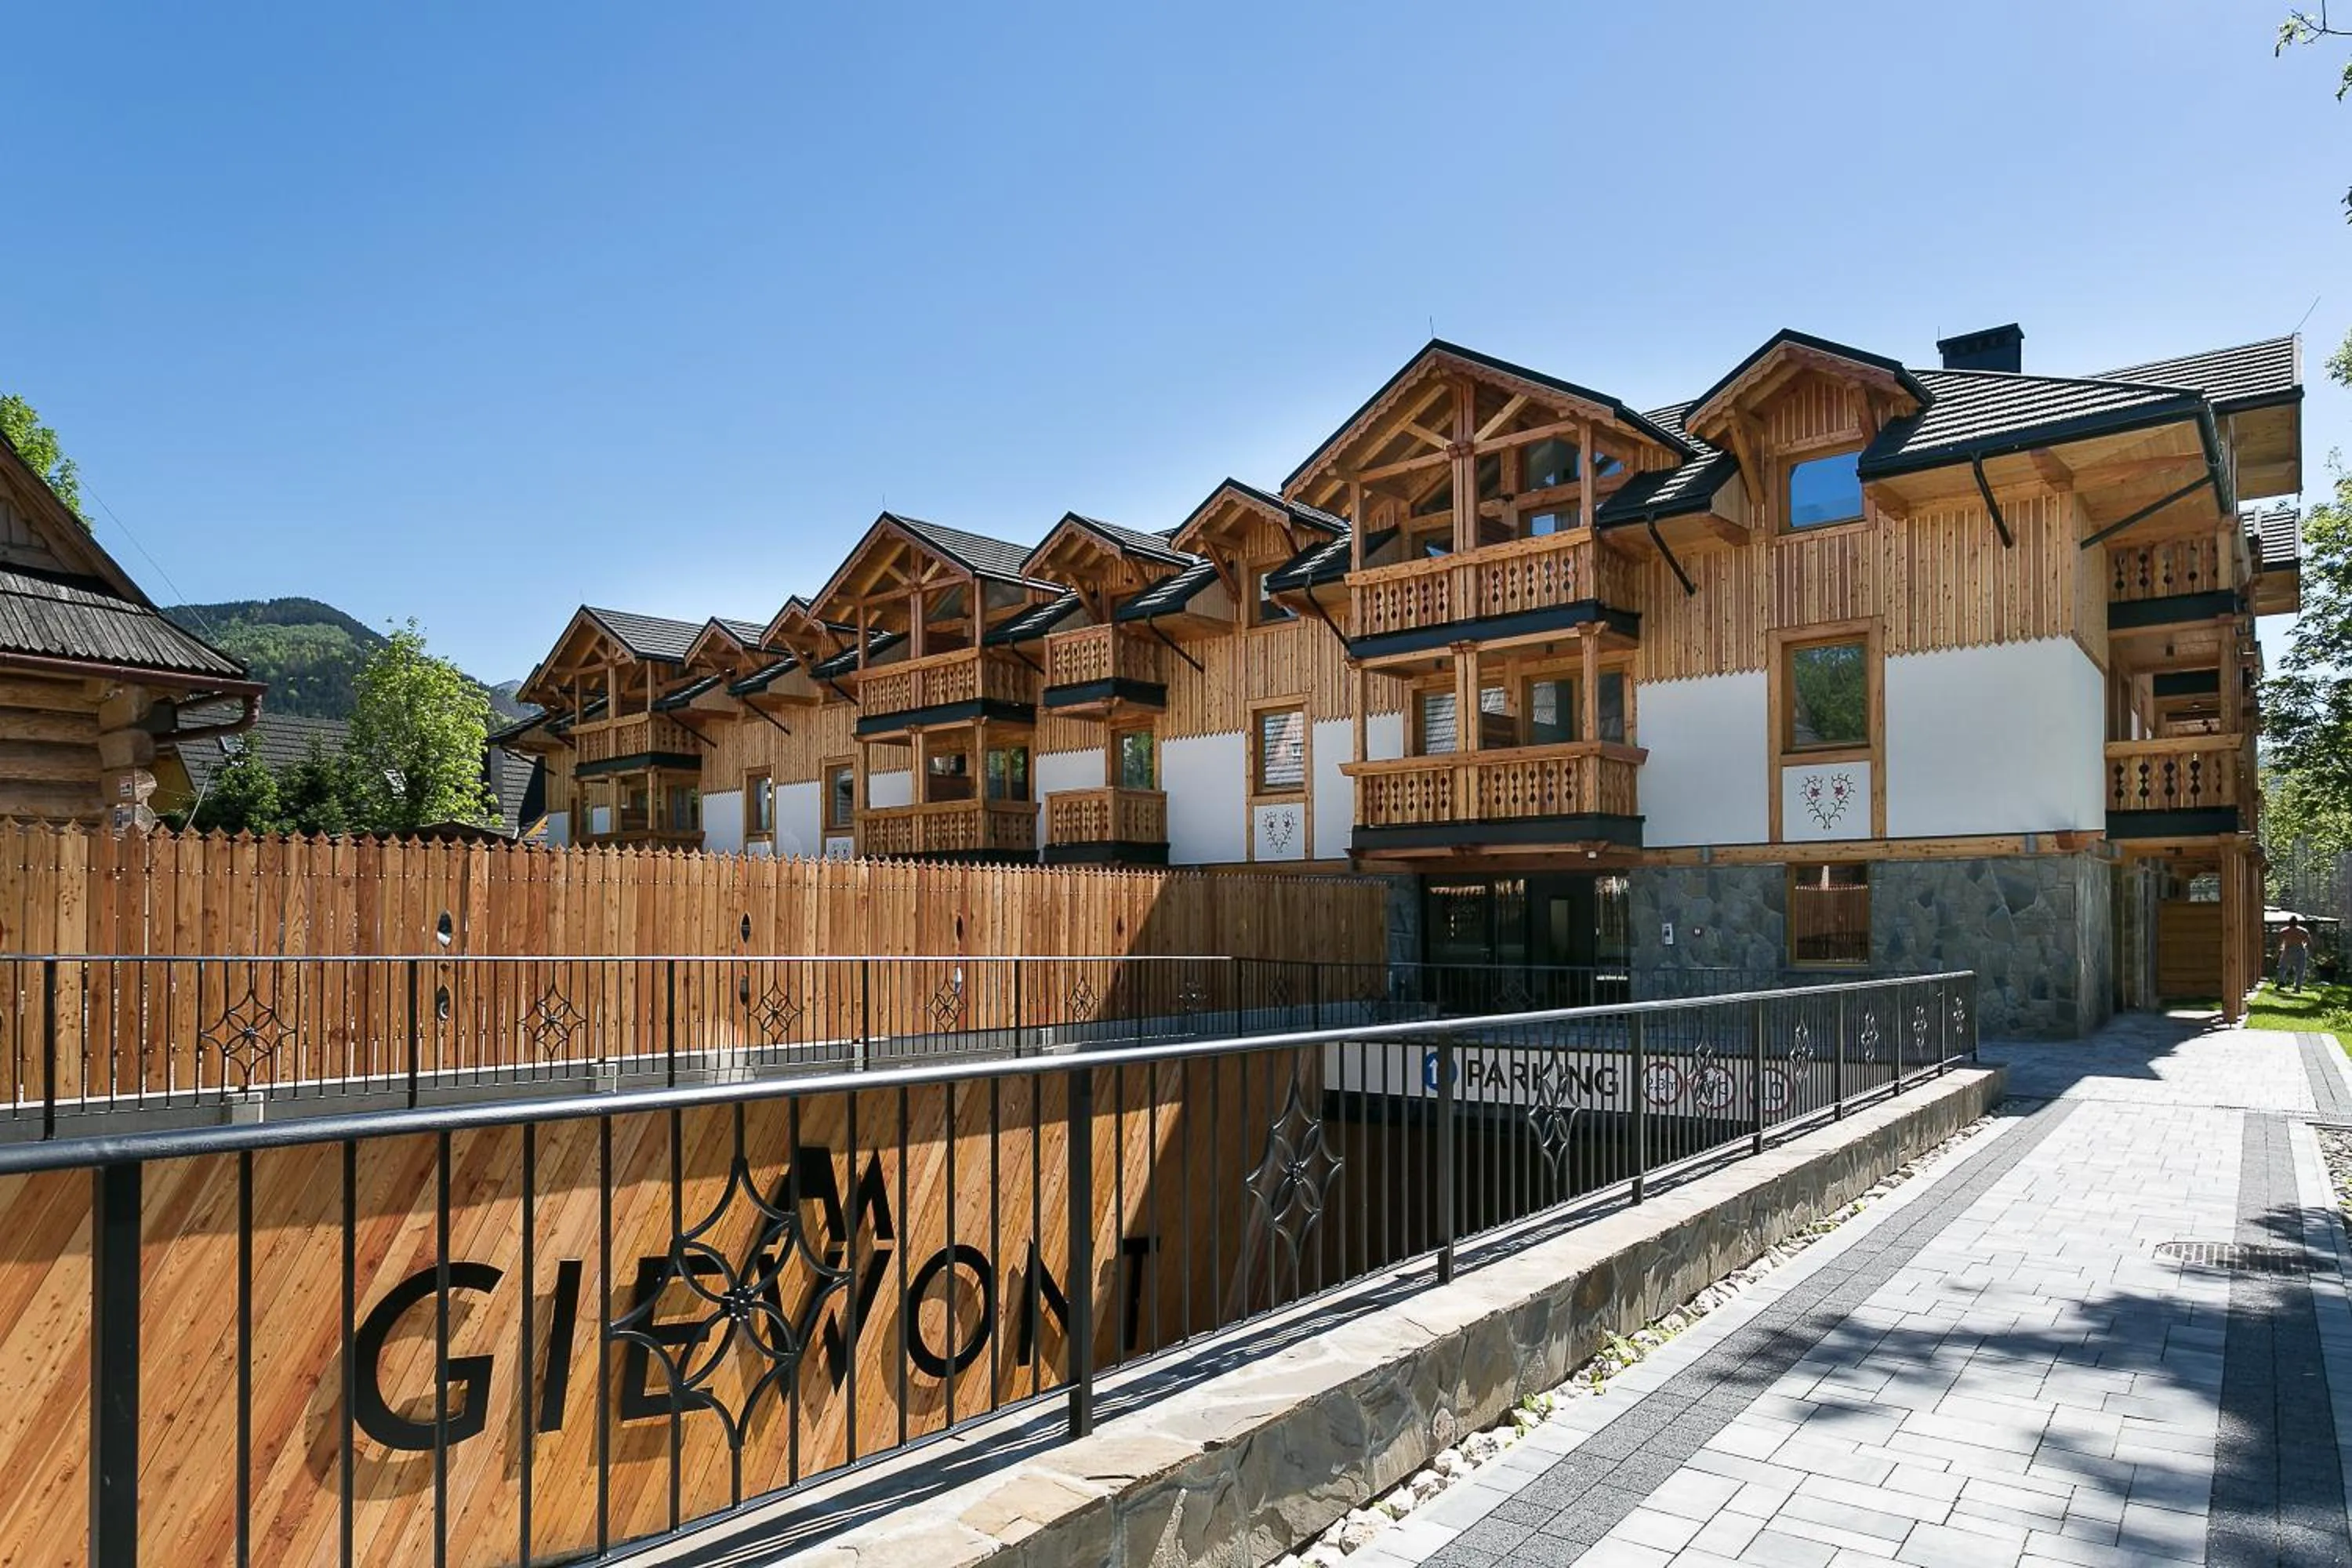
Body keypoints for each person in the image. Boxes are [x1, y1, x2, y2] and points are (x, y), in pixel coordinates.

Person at [2280, 916, 2314, 994]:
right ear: (2297, 923)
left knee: (2282, 967)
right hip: (2299, 949)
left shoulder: (2284, 931)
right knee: (2300, 970)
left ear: (2289, 923)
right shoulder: (2303, 931)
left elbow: (2280, 942)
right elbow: (2308, 942)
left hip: (2288, 949)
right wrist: (2310, 951)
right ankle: (2298, 986)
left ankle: (2281, 980)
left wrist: (2276, 952)